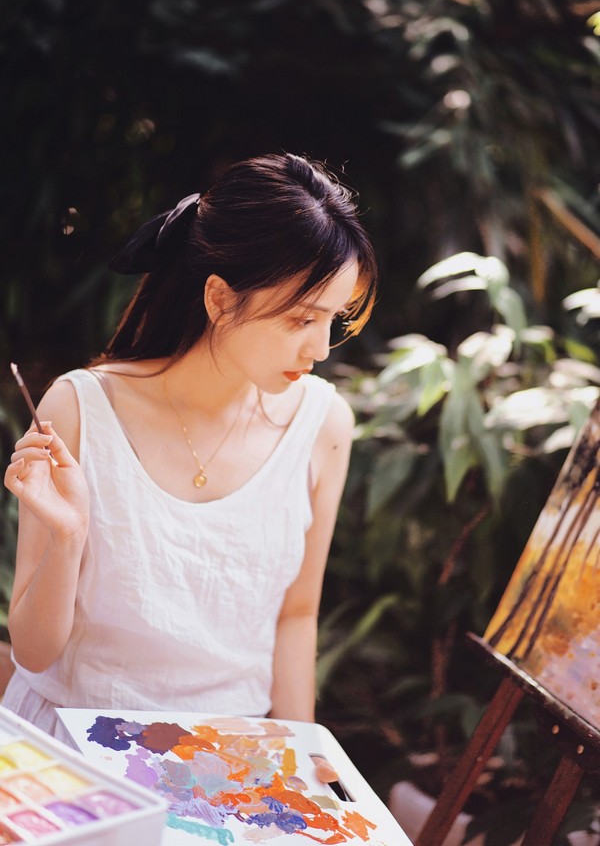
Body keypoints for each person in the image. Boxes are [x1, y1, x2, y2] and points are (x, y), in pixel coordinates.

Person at [3, 152, 377, 744]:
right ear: (220, 299)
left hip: (225, 759)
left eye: (333, 319)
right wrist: (67, 538)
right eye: (302, 319)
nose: (322, 348)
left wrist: (304, 759)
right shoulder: (80, 409)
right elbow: (32, 651)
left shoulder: (323, 424)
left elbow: (296, 615)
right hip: (77, 744)